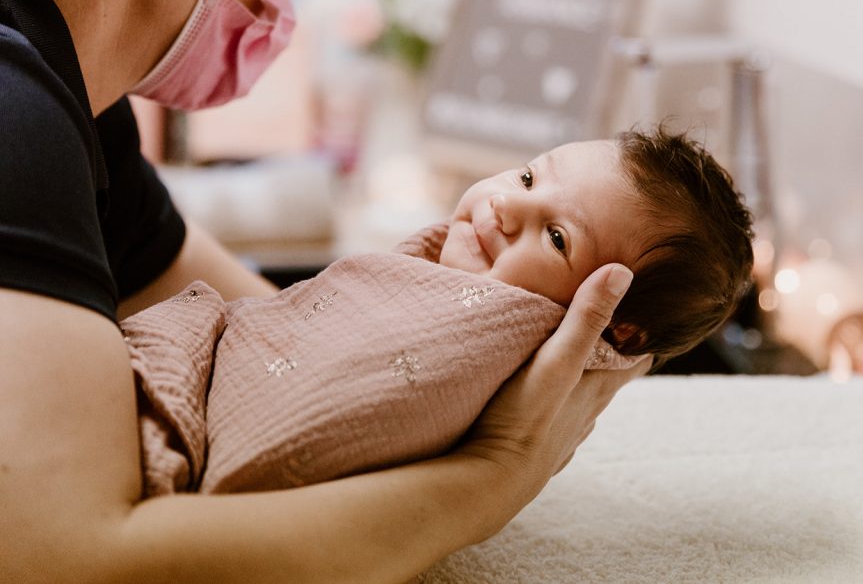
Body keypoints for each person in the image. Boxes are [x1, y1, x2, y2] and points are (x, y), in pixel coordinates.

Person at [0, 0, 649, 581]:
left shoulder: (80, 118)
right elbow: (70, 558)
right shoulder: (16, 115)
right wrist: (494, 475)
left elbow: (287, 338)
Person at [125, 130, 755, 496]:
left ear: (613, 325)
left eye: (558, 238)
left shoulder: (489, 344)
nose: (506, 205)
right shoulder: (428, 273)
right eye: (531, 178)